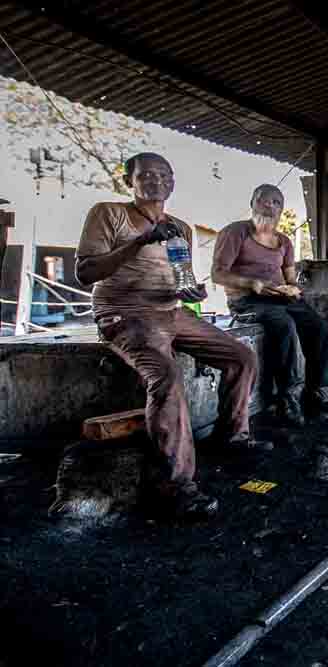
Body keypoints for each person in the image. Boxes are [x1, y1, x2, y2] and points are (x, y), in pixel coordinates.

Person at [76, 153, 270, 521]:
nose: (156, 179)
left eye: (164, 174)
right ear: (127, 181)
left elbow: (181, 278)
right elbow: (85, 272)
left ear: (173, 181)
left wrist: (190, 291)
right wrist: (140, 241)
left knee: (241, 356)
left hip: (172, 311)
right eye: (146, 174)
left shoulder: (180, 227)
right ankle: (176, 484)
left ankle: (232, 437)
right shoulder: (108, 213)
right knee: (165, 375)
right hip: (126, 312)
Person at [212, 184, 328, 426]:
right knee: (284, 326)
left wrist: (295, 288)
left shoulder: (284, 242)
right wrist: (251, 283)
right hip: (246, 300)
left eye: (276, 202)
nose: (270, 205)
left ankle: (316, 392)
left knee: (319, 326)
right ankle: (287, 397)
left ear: (281, 209)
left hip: (279, 298)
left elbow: (290, 278)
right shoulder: (235, 233)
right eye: (264, 200)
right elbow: (218, 274)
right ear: (252, 202)